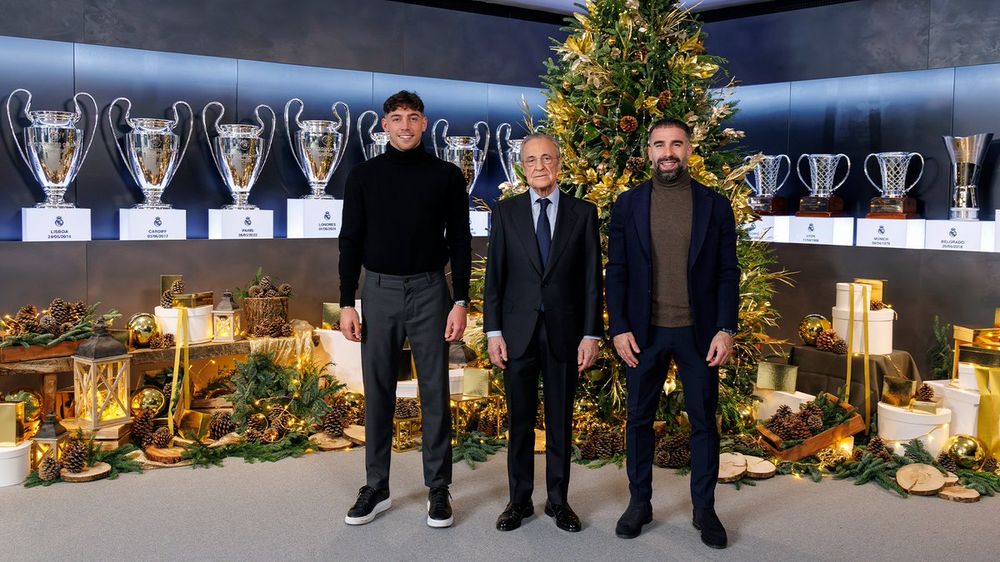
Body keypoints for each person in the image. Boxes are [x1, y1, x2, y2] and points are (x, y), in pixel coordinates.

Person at [338, 90, 471, 528]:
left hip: (432, 290)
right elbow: (350, 241)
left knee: (435, 392)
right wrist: (346, 302)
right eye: (397, 118)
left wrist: (460, 301)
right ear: (384, 126)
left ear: (425, 124)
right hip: (378, 292)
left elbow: (461, 242)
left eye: (413, 117)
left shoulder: (448, 176)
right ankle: (377, 486)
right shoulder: (362, 176)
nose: (405, 125)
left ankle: (438, 488)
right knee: (379, 392)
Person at [606, 118, 739, 549]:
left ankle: (704, 509)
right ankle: (639, 503)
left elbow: (726, 273)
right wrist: (620, 327)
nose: (668, 152)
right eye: (660, 144)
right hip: (643, 333)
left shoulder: (715, 205)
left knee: (703, 423)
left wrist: (725, 328)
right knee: (638, 420)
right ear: (649, 151)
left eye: (676, 144)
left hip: (698, 333)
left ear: (688, 149)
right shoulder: (627, 205)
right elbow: (618, 271)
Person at [483, 133, 602, 533]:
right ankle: (519, 501)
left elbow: (591, 281)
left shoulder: (583, 213)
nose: (539, 166)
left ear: (559, 165)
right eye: (531, 160)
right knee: (519, 421)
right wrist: (493, 331)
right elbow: (494, 278)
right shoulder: (505, 212)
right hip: (516, 332)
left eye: (547, 158)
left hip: (565, 333)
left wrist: (591, 335)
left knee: (559, 420)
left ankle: (558, 500)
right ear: (522, 166)